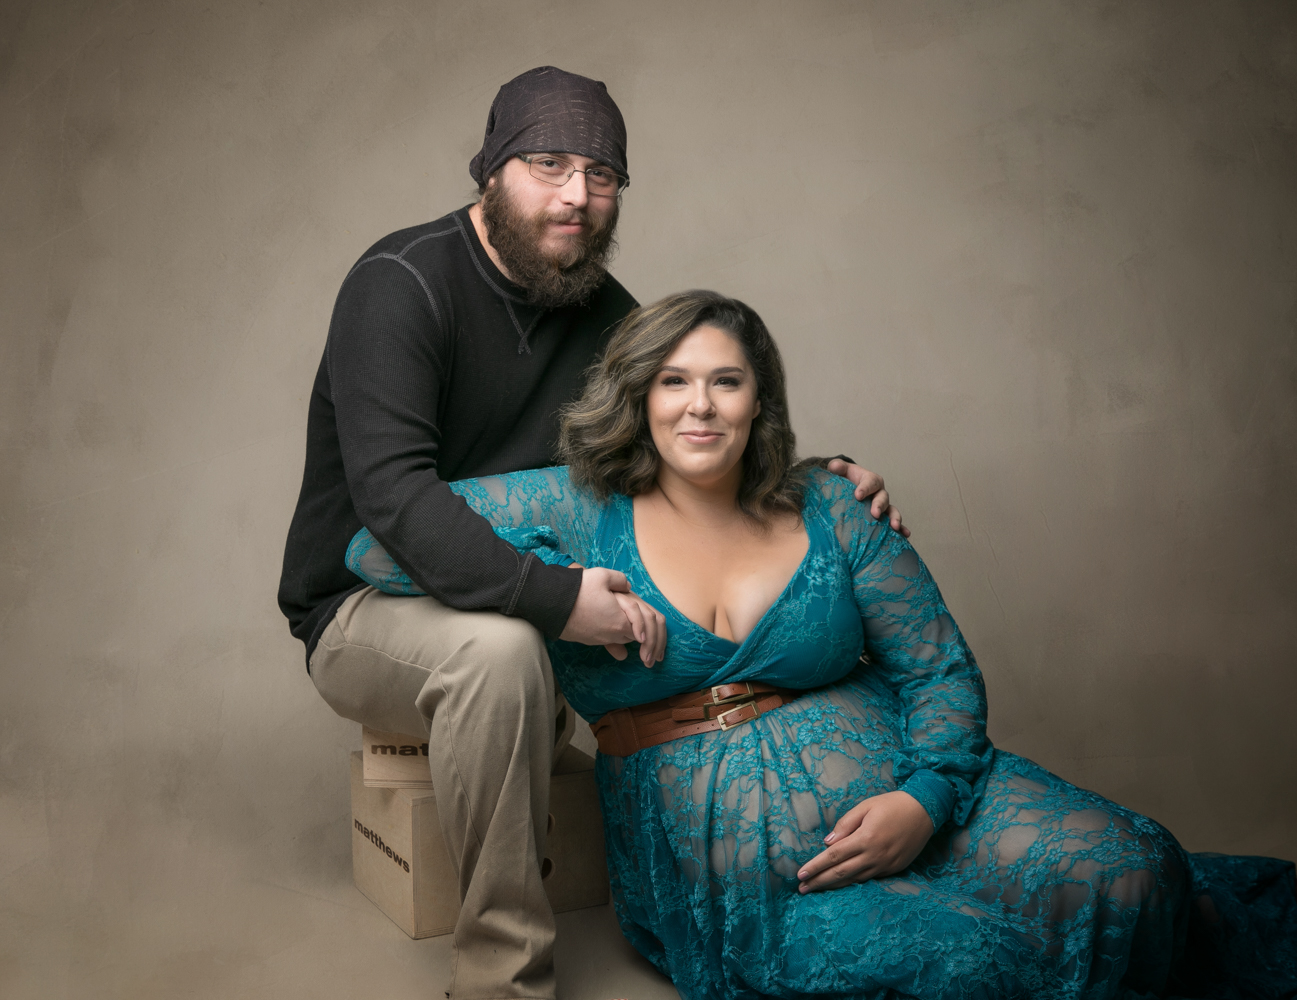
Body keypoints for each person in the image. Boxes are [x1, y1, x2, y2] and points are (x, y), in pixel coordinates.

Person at [346, 290, 1297, 1000]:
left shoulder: (829, 501)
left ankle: (1204, 909)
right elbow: (376, 543)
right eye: (674, 381)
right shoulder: (572, 506)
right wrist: (553, 591)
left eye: (727, 382)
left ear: (761, 401)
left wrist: (924, 800)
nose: (699, 405)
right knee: (967, 969)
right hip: (738, 844)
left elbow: (940, 671)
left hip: (901, 771)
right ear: (639, 395)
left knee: (1132, 870)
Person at [277, 69, 899, 1000]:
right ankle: (502, 983)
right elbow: (394, 502)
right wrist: (558, 602)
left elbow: (690, 442)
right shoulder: (399, 285)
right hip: (362, 600)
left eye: (602, 174)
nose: (577, 194)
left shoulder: (603, 310)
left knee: (694, 609)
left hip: (522, 587)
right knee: (499, 655)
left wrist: (813, 485)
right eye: (549, 164)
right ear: (491, 169)